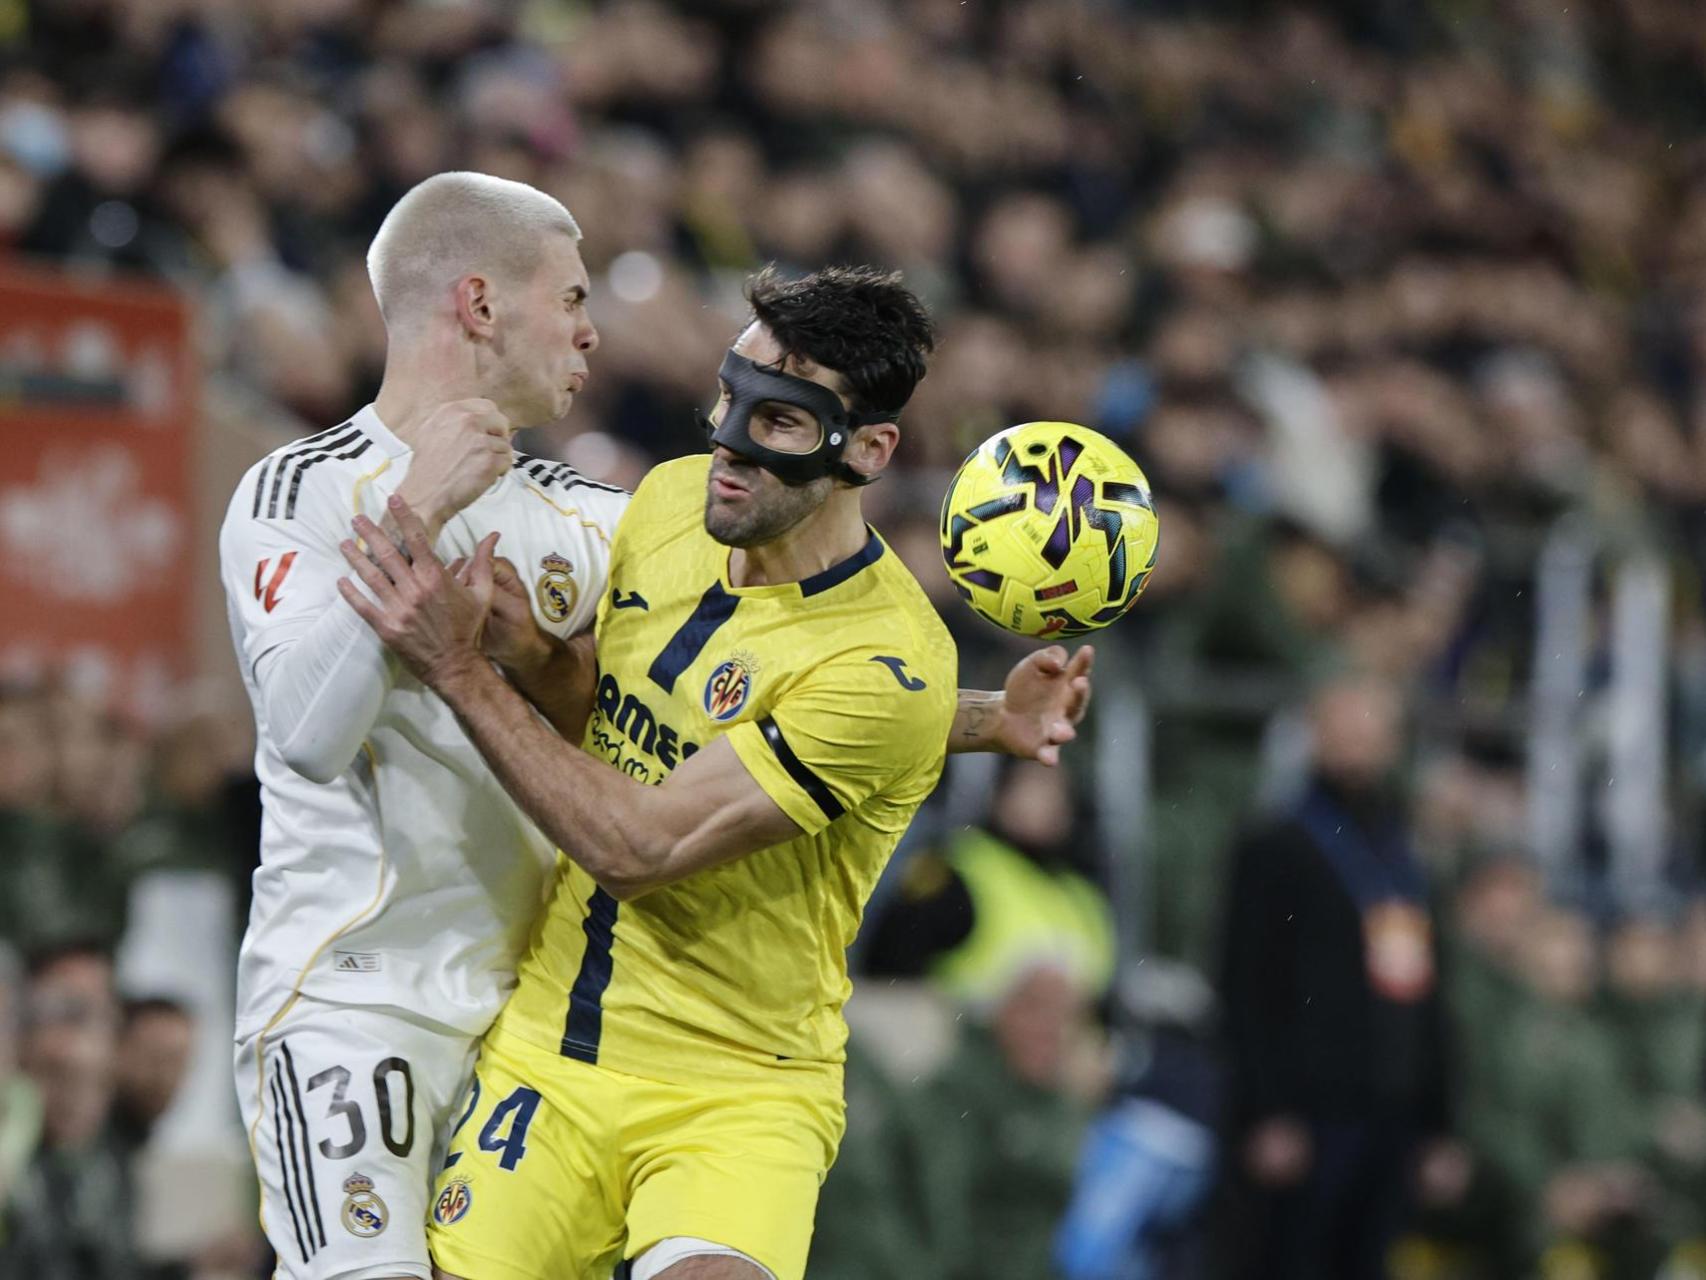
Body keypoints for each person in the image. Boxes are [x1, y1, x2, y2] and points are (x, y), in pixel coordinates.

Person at [221, 173, 1090, 1280]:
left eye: (772, 418)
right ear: (483, 306)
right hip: (400, 1011)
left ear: (862, 450)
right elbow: (327, 728)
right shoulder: (329, 490)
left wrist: (465, 662)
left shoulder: (626, 527)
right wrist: (463, 575)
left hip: (683, 1054)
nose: (725, 438)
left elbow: (673, 793)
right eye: (729, 398)